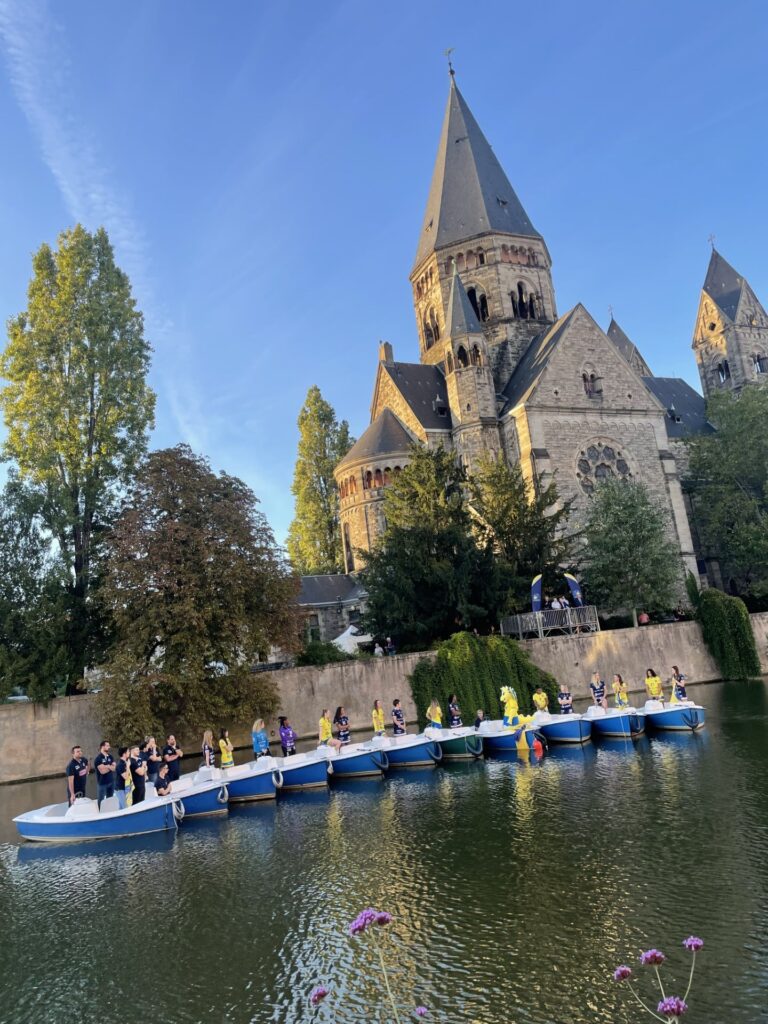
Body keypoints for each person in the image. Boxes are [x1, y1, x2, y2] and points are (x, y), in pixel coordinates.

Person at [93, 740, 116, 808]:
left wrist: (107, 766)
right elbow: (102, 772)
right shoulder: (98, 759)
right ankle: (100, 811)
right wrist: (110, 766)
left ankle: (109, 810)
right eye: (107, 745)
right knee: (101, 800)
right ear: (102, 747)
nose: (109, 747)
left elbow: (114, 769)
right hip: (102, 783)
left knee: (110, 799)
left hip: (111, 782)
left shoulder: (110, 757)